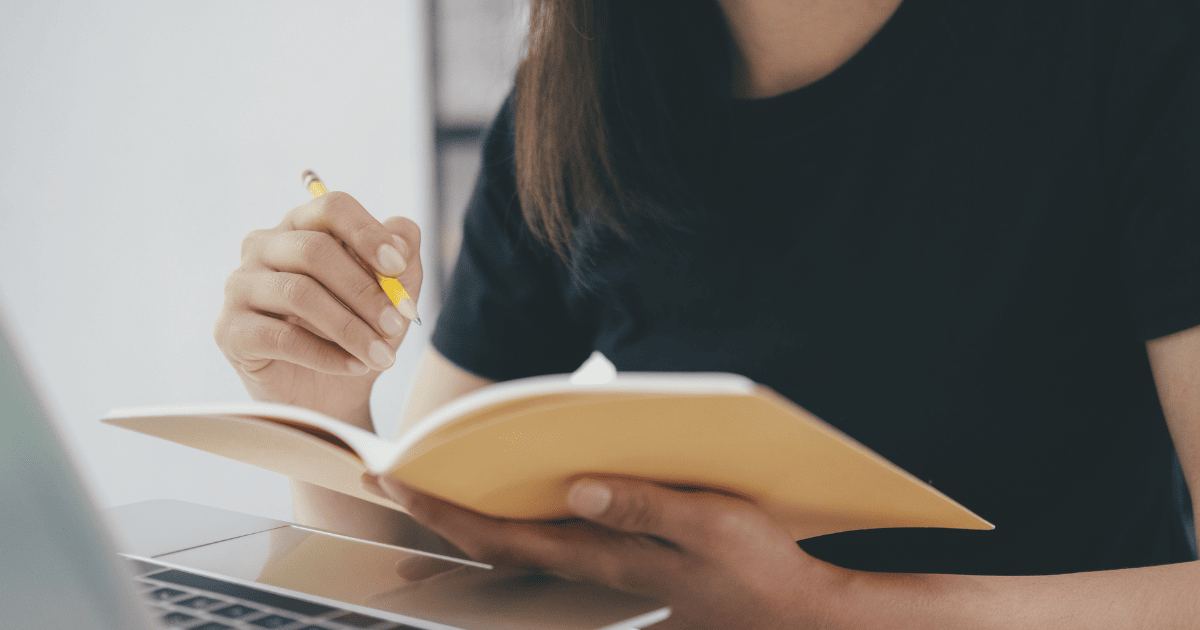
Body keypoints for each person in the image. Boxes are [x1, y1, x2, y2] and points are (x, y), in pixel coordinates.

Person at [213, 0, 1200, 626]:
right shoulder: (570, 102)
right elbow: (427, 565)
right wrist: (330, 409)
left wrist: (836, 611)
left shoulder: (1132, 41)